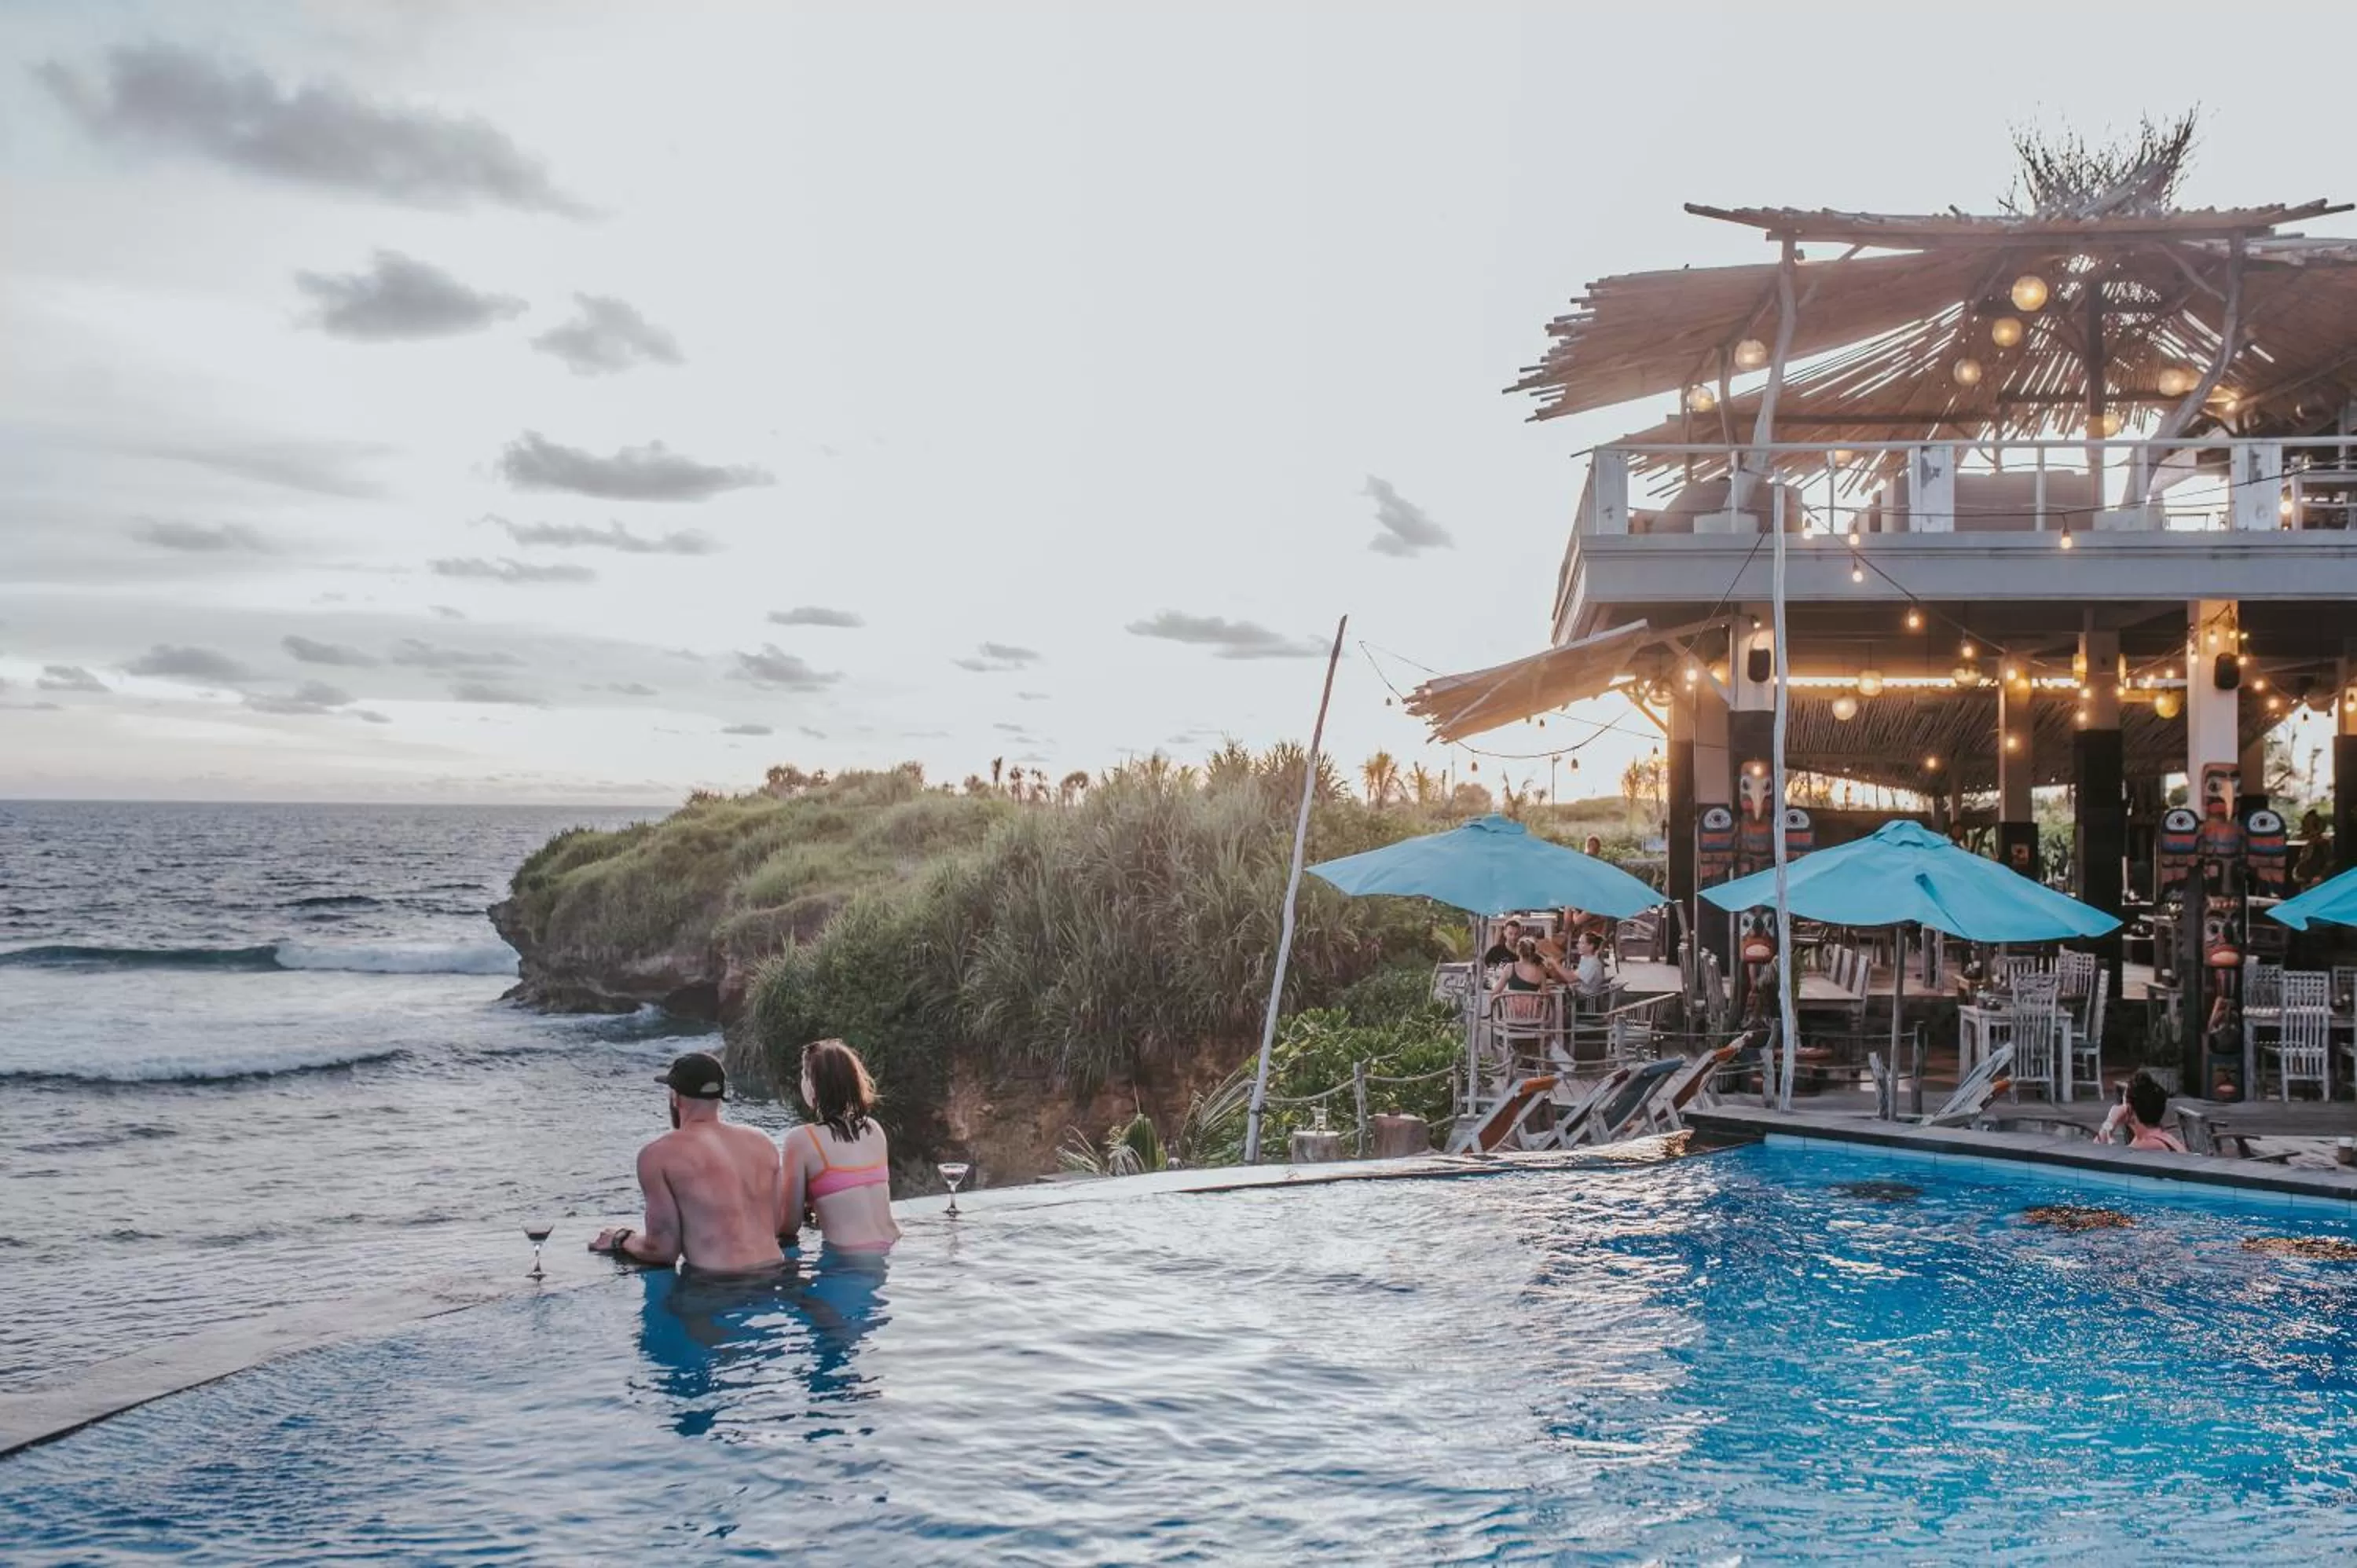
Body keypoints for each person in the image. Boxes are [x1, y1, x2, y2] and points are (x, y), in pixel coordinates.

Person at [591, 1052, 787, 1275]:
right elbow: (777, 1224)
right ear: (720, 1095)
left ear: (675, 1097)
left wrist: (621, 1238)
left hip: (718, 1285)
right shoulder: (762, 1142)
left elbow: (662, 1251)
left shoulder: (657, 1155)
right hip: (776, 1273)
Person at [782, 1039, 902, 1255]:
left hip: (850, 1261)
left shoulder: (801, 1139)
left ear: (812, 1085)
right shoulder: (873, 1130)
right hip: (892, 1246)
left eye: (803, 1076)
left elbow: (788, 1226)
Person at [2098, 1071, 2187, 1153]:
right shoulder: (2163, 1137)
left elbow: (2096, 1154)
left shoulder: (2150, 1145)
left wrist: (2111, 1120)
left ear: (2129, 1110)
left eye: (2123, 1103)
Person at [1571, 931, 1609, 999]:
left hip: (1587, 999)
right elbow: (1575, 976)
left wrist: (1555, 964)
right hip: (1583, 993)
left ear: (1591, 946)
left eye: (1582, 943)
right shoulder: (1586, 959)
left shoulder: (1592, 963)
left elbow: (1571, 978)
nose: (1577, 945)